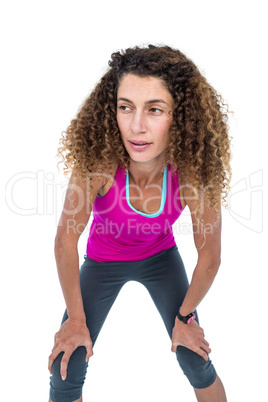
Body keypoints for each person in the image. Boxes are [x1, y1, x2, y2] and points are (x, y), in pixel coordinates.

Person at [48, 45, 231, 402]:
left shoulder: (192, 174)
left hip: (161, 260)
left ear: (181, 116)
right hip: (102, 262)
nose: (136, 126)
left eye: (155, 110)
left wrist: (185, 319)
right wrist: (74, 321)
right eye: (125, 106)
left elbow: (209, 258)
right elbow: (65, 241)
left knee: (195, 359)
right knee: (66, 368)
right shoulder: (98, 164)